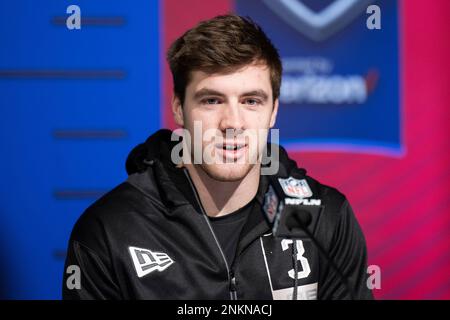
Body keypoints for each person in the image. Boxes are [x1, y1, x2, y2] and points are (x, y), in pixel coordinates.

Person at [62, 14, 373, 300]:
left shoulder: (325, 218)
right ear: (178, 108)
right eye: (211, 100)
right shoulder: (110, 230)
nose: (232, 123)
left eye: (251, 101)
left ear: (274, 110)